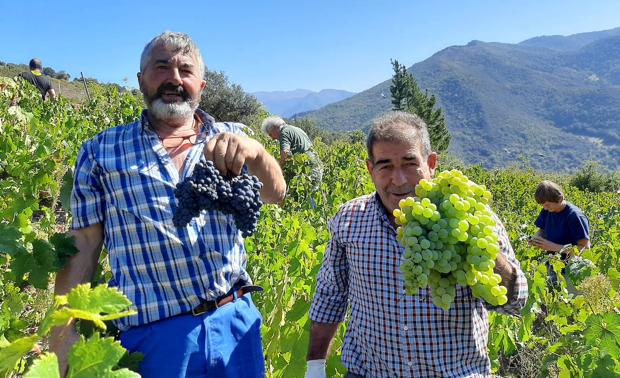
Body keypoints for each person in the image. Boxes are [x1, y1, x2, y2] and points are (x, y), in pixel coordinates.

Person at [50, 32, 286, 378]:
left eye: (185, 70)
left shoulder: (232, 136)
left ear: (201, 85)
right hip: (154, 338)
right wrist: (63, 332)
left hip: (235, 322)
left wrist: (258, 152)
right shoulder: (102, 151)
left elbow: (275, 192)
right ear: (141, 80)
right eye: (162, 67)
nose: (174, 78)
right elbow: (83, 245)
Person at [304, 111, 528, 377]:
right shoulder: (349, 218)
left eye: (410, 164)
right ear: (370, 169)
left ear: (431, 163)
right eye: (385, 165)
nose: (398, 180)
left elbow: (515, 302)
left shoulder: (471, 218)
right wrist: (315, 366)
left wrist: (475, 246)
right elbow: (331, 296)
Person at [529, 180, 590, 285]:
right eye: (542, 205)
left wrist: (555, 247)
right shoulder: (547, 211)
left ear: (560, 199)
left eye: (547, 204)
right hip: (552, 263)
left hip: (573, 269)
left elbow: (585, 248)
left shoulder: (574, 216)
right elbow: (542, 230)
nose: (545, 208)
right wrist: (536, 238)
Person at [261, 116, 323, 190]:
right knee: (314, 192)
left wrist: (279, 169)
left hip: (309, 167)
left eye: (271, 134)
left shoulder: (284, 133)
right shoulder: (297, 129)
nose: (273, 138)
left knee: (309, 194)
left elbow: (285, 152)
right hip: (316, 164)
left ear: (275, 128)